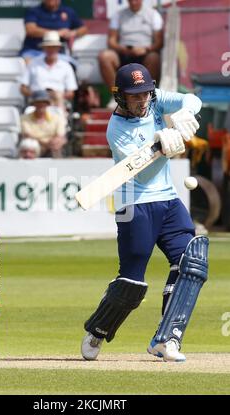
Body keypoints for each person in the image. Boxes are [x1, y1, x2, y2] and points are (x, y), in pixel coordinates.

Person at [81, 63, 209, 363]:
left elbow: (191, 99)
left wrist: (187, 115)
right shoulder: (117, 130)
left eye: (145, 94)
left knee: (191, 264)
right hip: (134, 204)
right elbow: (143, 172)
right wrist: (162, 144)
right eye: (134, 95)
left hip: (168, 201)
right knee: (132, 283)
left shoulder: (154, 101)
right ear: (120, 96)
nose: (141, 101)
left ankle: (167, 339)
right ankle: (98, 330)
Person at [99, 0, 163, 107]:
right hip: (124, 53)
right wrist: (124, 49)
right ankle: (117, 96)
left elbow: (159, 42)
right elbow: (111, 41)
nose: (133, 2)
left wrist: (146, 49)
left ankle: (148, 96)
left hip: (145, 53)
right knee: (105, 57)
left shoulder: (153, 15)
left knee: (154, 57)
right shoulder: (118, 15)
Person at [20, 31, 78, 113]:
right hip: (36, 103)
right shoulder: (33, 64)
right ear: (44, 48)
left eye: (54, 47)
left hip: (57, 102)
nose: (51, 50)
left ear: (58, 48)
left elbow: (71, 92)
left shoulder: (66, 66)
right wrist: (37, 95)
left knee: (59, 106)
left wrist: (58, 95)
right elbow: (23, 88)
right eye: (49, 47)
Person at [20, 0, 88, 65]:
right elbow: (30, 30)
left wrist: (73, 33)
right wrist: (57, 33)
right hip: (34, 51)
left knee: (69, 65)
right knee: (29, 64)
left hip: (59, 54)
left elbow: (83, 29)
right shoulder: (33, 11)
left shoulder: (68, 11)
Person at [20, 90, 67, 158]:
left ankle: (54, 168)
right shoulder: (24, 118)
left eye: (44, 102)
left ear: (48, 104)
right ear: (33, 104)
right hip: (35, 146)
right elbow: (28, 135)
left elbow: (60, 135)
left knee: (57, 145)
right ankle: (30, 168)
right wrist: (46, 143)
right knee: (29, 146)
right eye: (38, 102)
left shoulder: (57, 118)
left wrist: (54, 142)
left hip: (52, 146)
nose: (41, 105)